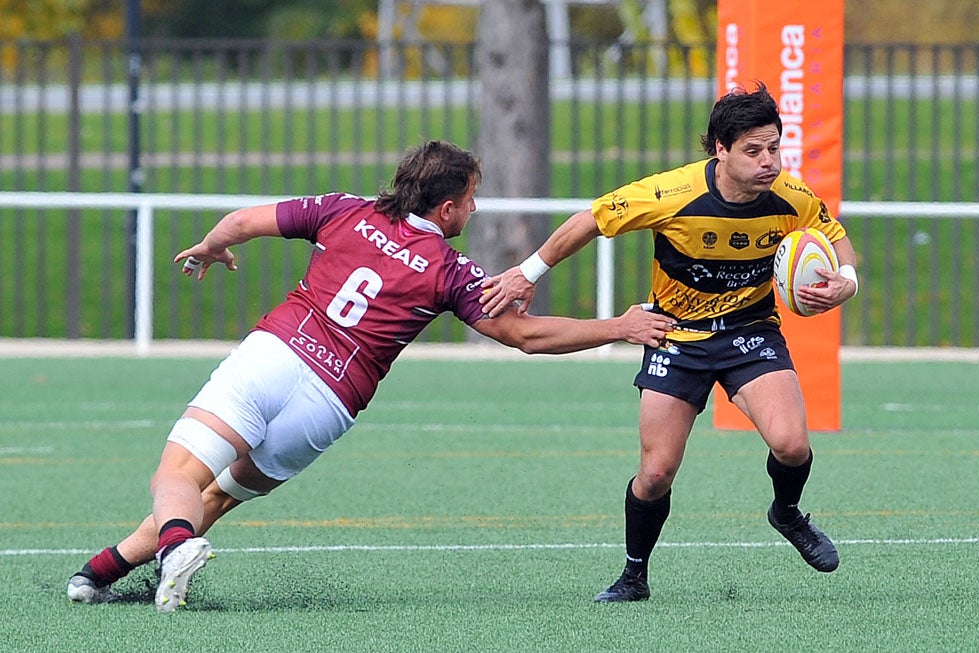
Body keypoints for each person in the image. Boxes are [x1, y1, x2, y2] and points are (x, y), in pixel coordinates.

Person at [66, 140, 676, 612]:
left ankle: (174, 546)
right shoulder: (450, 270)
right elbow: (525, 336)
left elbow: (244, 221)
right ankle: (96, 576)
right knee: (217, 494)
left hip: (277, 355)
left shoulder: (343, 211)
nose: (474, 206)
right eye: (470, 197)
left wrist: (208, 247)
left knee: (177, 473)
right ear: (445, 207)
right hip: (331, 404)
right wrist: (617, 327)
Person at [480, 84, 859, 603]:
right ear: (720, 150)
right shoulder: (673, 193)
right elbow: (590, 220)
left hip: (750, 331)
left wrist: (847, 279)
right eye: (753, 150)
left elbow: (833, 234)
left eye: (774, 147)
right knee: (656, 473)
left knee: (792, 445)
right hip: (674, 334)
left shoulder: (790, 197)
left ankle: (787, 513)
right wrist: (528, 273)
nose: (768, 161)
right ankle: (635, 575)